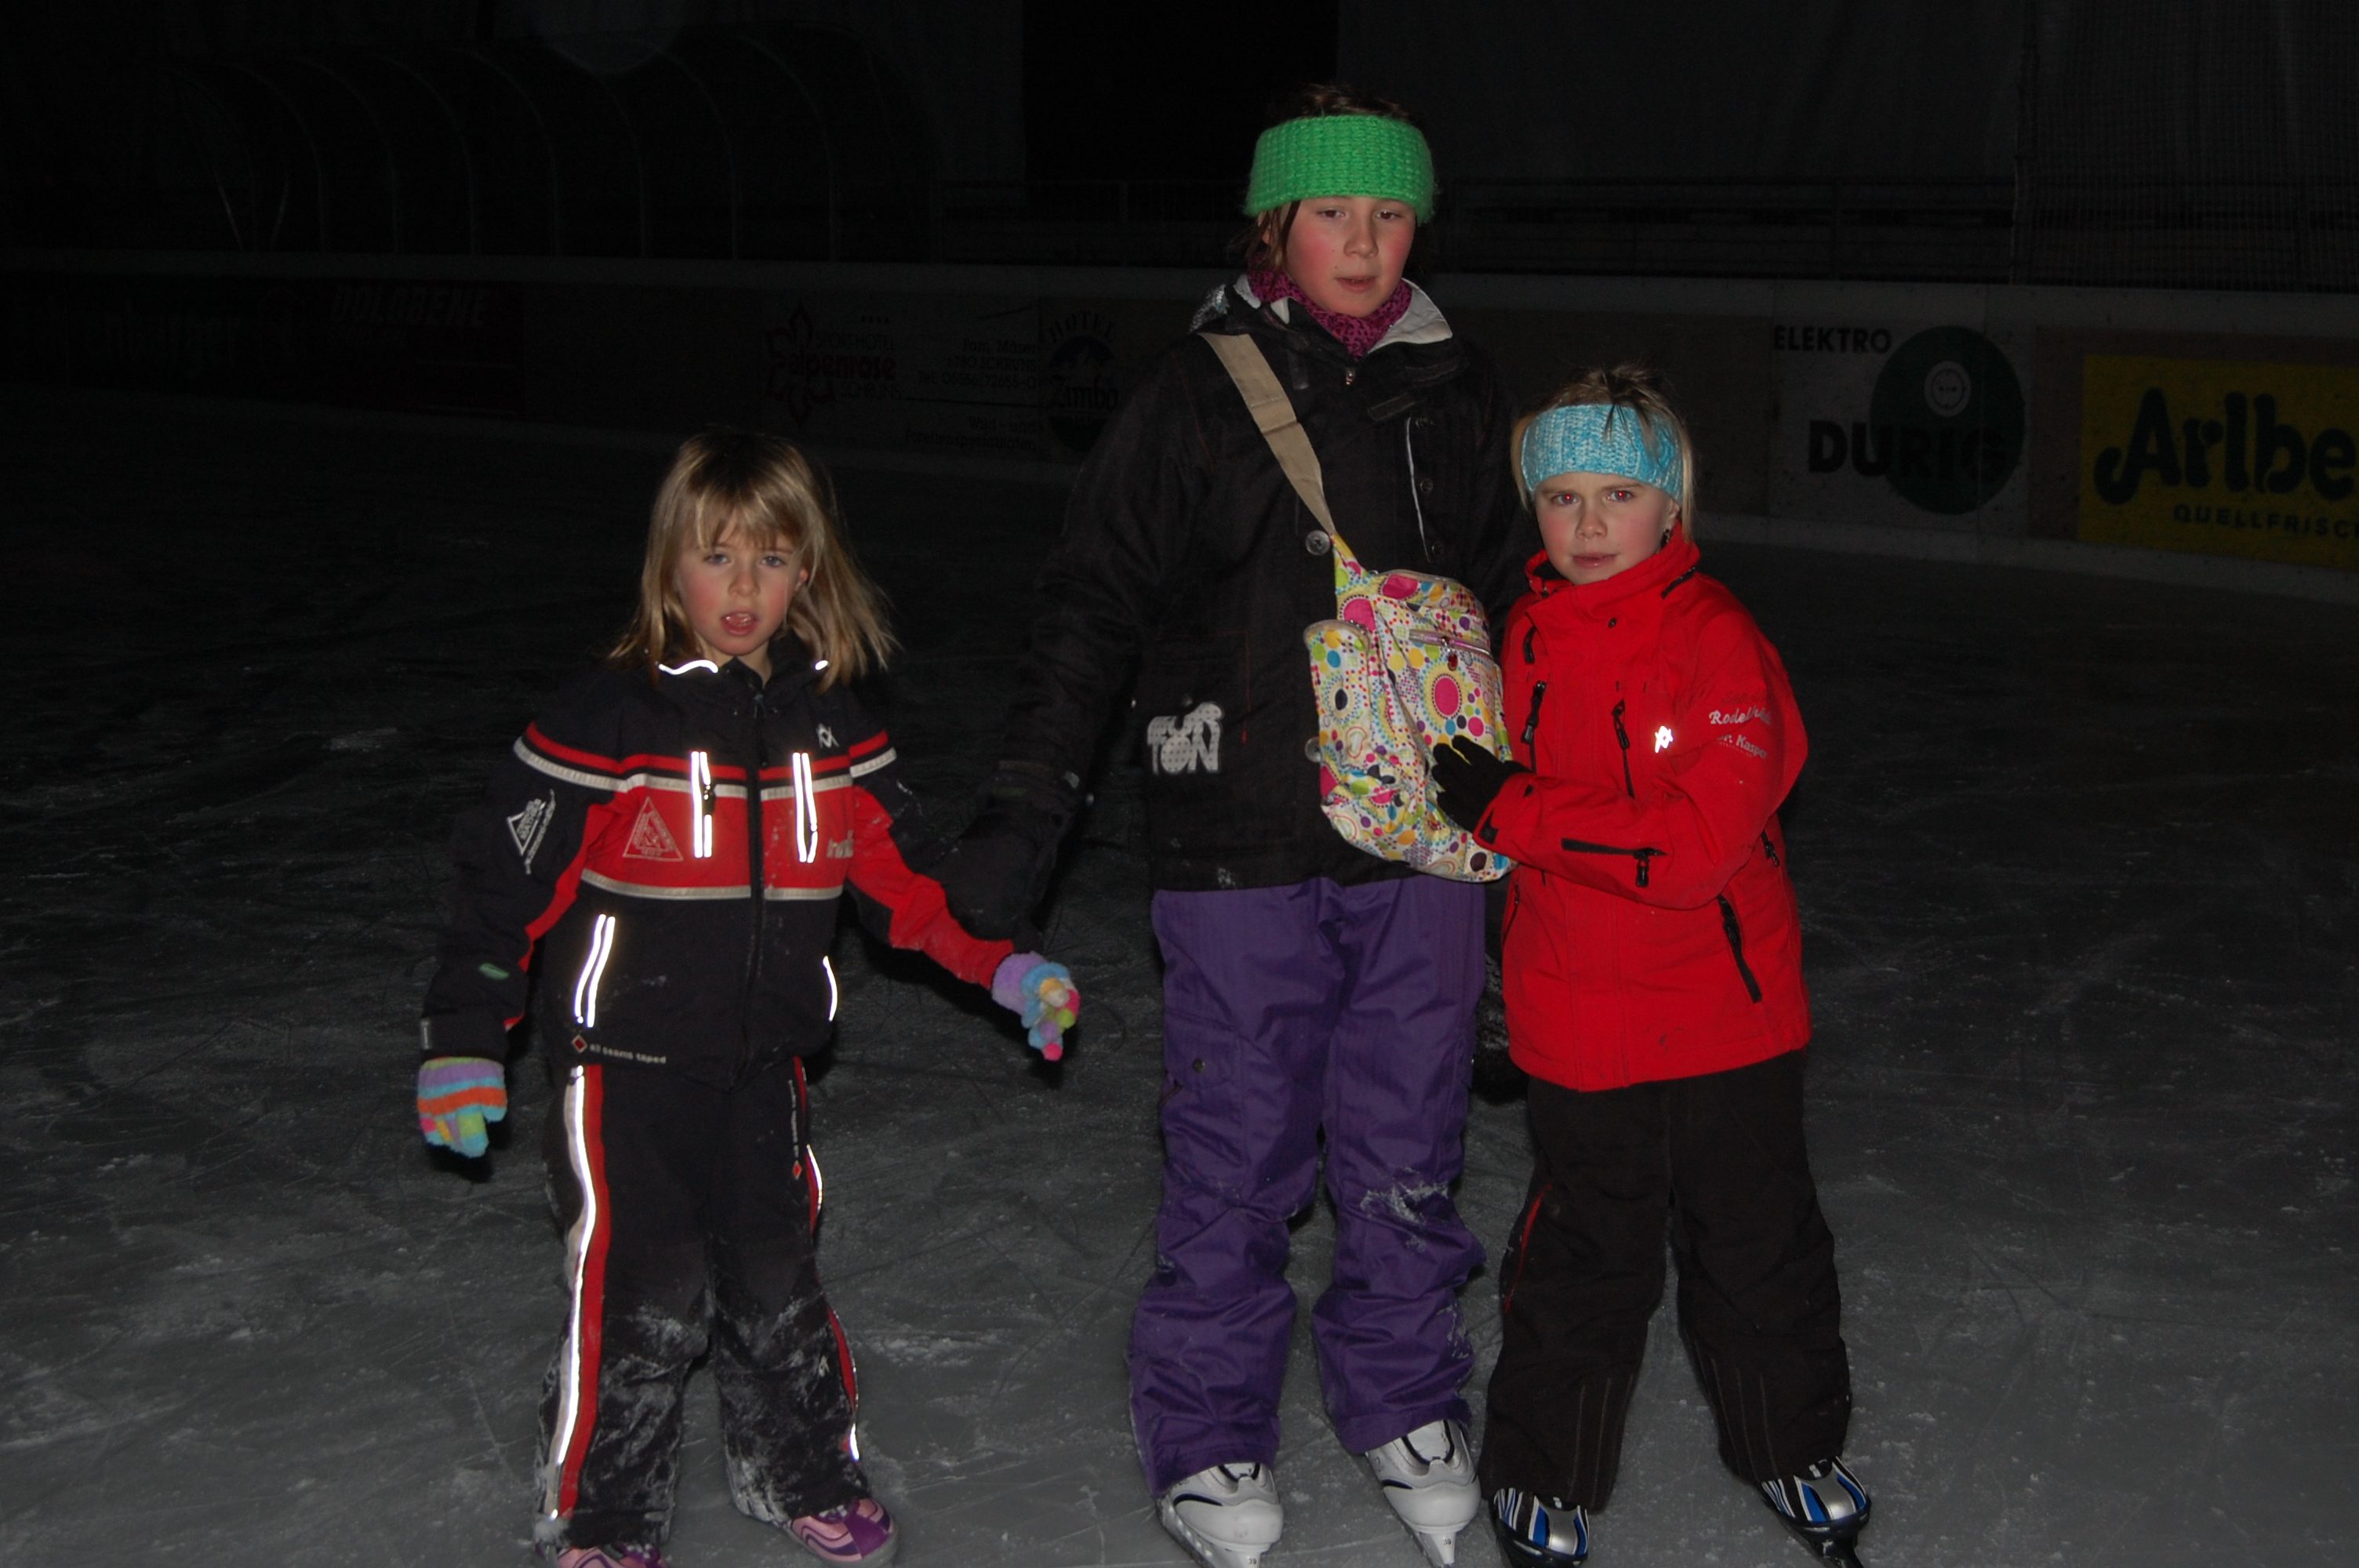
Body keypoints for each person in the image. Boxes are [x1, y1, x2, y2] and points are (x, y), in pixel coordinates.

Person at [938, 87, 1530, 1568]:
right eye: (1332, 213)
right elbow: (1091, 607)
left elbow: (1517, 606)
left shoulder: (1458, 388)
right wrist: (1026, 809)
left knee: (1409, 1131)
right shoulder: (1194, 395)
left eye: (1390, 215)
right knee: (1239, 1140)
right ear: (1274, 224)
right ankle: (1208, 1425)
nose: (1364, 242)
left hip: (1424, 829)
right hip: (1240, 822)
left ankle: (1403, 1392)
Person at [413, 428, 1079, 1568]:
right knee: (644, 1289)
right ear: (669, 565)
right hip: (624, 1073)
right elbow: (500, 898)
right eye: (717, 557)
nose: (743, 588)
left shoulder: (836, 731)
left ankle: (801, 1470)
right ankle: (603, 1513)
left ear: (806, 572)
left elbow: (914, 888)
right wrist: (466, 1042)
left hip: (766, 1068)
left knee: (778, 1278)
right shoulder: (604, 725)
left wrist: (1006, 965)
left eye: (771, 560)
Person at [1425, 368, 1872, 1566]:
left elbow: (1695, 850)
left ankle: (1790, 1445)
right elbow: (1480, 830)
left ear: (1671, 504)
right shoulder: (1517, 637)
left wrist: (1513, 806)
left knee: (1758, 1246)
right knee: (1582, 1259)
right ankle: (1544, 1469)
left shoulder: (1720, 639)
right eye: (1560, 496)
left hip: (1725, 1017)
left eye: (1617, 494)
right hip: (1579, 1020)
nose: (1586, 524)